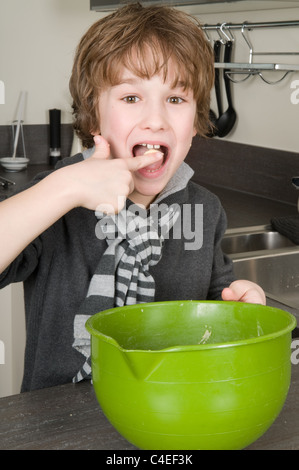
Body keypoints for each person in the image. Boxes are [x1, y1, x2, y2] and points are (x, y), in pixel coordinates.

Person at [0, 2, 265, 392]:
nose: (156, 119)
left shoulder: (205, 210)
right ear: (94, 116)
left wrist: (241, 305)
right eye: (130, 98)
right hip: (62, 423)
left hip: (167, 409)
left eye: (176, 99)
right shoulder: (57, 198)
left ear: (195, 123)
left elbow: (215, 304)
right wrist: (65, 187)